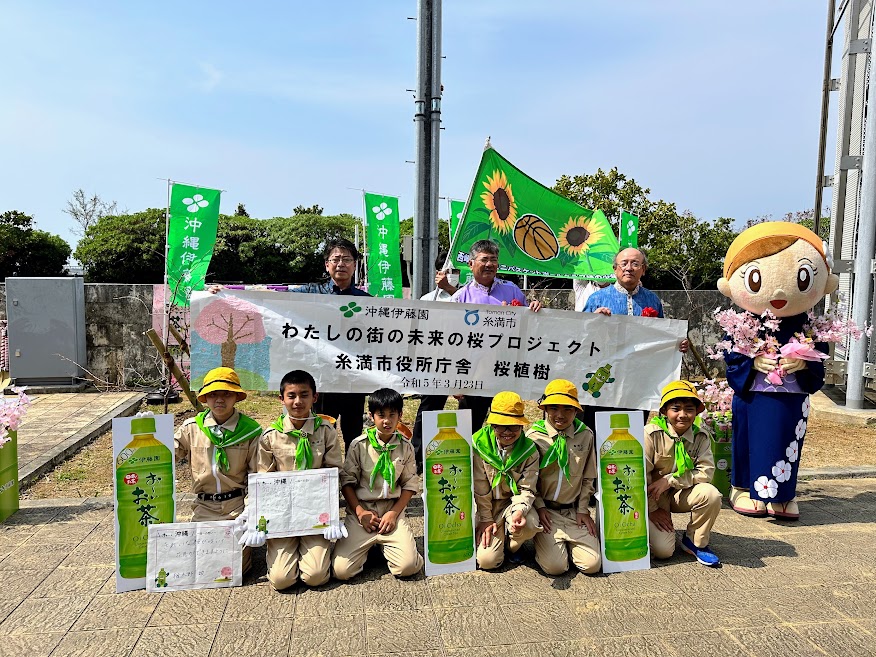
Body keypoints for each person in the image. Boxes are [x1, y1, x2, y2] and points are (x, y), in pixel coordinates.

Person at [718, 222, 837, 520]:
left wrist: (805, 363)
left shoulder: (808, 323)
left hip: (791, 394)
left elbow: (819, 359)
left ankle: (784, 494)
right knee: (749, 437)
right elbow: (731, 358)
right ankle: (744, 488)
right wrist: (751, 363)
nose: (781, 290)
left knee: (786, 439)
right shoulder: (741, 322)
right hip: (753, 393)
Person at [208, 237, 369, 448]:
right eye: (335, 259)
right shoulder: (311, 293)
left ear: (355, 265)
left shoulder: (367, 301)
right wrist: (228, 293)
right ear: (326, 264)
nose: (341, 264)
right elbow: (275, 297)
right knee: (316, 430)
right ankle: (319, 473)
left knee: (353, 433)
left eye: (347, 259)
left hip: (351, 380)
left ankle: (352, 477)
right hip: (320, 377)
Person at [579, 247, 689, 428]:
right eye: (624, 263)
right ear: (615, 269)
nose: (629, 268)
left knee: (632, 427)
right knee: (597, 426)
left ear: (643, 270)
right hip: (603, 377)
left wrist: (676, 344)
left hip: (638, 380)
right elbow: (581, 336)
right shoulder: (597, 299)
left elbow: (661, 338)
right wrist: (594, 320)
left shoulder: (652, 300)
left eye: (635, 263)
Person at [254, 370, 343, 589]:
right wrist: (257, 517)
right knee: (281, 581)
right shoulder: (270, 436)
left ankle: (312, 552)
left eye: (304, 395)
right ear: (281, 399)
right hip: (283, 515)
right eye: (291, 395)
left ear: (315, 397)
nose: (297, 401)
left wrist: (333, 515)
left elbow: (334, 474)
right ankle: (283, 554)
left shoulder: (326, 432)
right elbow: (264, 481)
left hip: (315, 514)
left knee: (316, 576)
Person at [444, 240, 543, 433]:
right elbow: (451, 342)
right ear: (471, 264)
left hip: (506, 371)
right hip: (473, 374)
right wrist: (456, 379)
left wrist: (535, 309)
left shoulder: (512, 290)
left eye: (494, 260)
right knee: (468, 429)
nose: (489, 264)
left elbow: (528, 328)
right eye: (484, 260)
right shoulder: (460, 298)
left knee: (508, 427)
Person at [174, 367, 261, 572]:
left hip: (237, 509)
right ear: (205, 397)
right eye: (213, 394)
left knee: (234, 569)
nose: (219, 399)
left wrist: (250, 511)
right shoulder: (192, 428)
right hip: (205, 508)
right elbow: (166, 455)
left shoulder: (251, 432)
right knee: (202, 567)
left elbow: (258, 475)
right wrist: (151, 430)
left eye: (227, 393)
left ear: (237, 397)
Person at [333, 388, 424, 580]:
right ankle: (373, 547)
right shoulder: (358, 445)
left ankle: (384, 546)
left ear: (400, 415)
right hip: (363, 512)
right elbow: (347, 483)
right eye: (381, 415)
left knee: (408, 567)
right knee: (341, 571)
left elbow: (409, 485)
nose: (387, 421)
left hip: (391, 510)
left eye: (393, 415)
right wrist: (360, 513)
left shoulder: (405, 446)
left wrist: (394, 513)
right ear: (370, 416)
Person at [527, 380, 601, 575]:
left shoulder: (585, 435)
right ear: (545, 409)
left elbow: (588, 476)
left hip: (573, 512)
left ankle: (566, 544)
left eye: (568, 409)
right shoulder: (534, 437)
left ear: (577, 411)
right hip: (547, 512)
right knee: (556, 568)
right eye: (554, 408)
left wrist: (583, 510)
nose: (560, 415)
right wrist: (540, 506)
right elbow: (528, 480)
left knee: (592, 565)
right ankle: (547, 545)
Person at [645, 380, 722, 567]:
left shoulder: (700, 437)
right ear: (664, 411)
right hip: (653, 497)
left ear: (696, 412)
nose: (683, 415)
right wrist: (652, 510)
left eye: (689, 409)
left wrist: (670, 480)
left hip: (681, 493)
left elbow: (706, 472)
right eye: (676, 408)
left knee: (710, 494)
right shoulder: (650, 434)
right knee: (663, 552)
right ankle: (650, 527)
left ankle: (695, 542)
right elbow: (639, 476)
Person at [472, 391, 542, 569]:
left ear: (522, 426)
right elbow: (480, 488)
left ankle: (513, 546)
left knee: (531, 524)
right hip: (486, 506)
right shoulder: (478, 445)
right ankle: (499, 540)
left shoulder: (529, 451)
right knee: (488, 562)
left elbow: (527, 489)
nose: (507, 432)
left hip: (511, 504)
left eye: (514, 426)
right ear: (492, 424)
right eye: (501, 426)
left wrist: (519, 511)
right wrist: (486, 519)